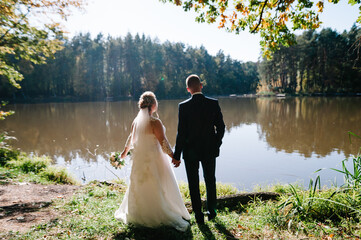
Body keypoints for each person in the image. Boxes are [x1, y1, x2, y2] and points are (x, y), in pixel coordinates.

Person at [115, 91, 190, 232]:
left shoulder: (135, 122)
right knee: (157, 184)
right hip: (155, 160)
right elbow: (163, 142)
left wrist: (125, 152)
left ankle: (139, 213)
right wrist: (174, 156)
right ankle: (158, 212)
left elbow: (131, 138)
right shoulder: (155, 122)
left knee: (140, 185)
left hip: (139, 161)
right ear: (153, 105)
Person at [172, 74, 225, 225]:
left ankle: (198, 216)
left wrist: (176, 155)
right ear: (201, 85)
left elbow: (181, 133)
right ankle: (212, 212)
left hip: (190, 152)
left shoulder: (183, 106)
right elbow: (221, 127)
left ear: (188, 89)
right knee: (210, 181)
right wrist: (216, 144)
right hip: (209, 150)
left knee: (193, 183)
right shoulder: (213, 103)